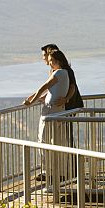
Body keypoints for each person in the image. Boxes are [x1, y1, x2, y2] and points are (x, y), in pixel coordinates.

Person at [23, 49, 71, 185]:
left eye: (51, 61)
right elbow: (52, 91)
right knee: (58, 142)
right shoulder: (66, 73)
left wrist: (30, 102)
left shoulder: (58, 73)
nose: (49, 64)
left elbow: (43, 87)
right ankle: (60, 172)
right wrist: (38, 98)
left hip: (50, 112)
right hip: (59, 111)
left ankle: (48, 172)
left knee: (43, 141)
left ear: (58, 61)